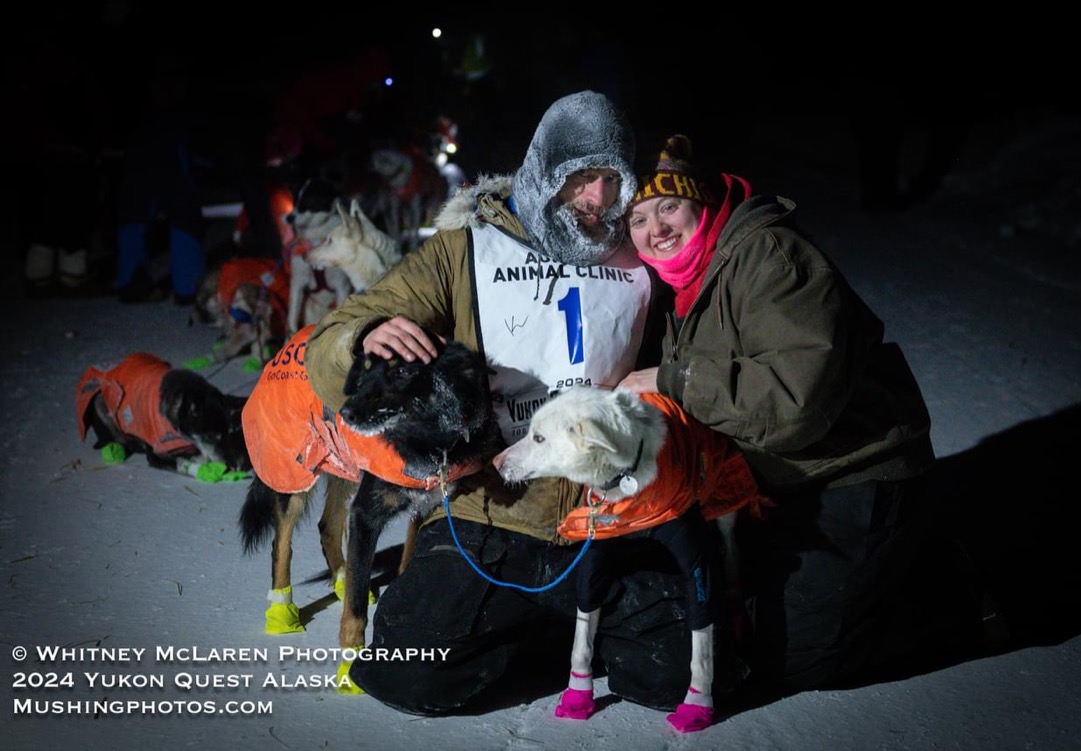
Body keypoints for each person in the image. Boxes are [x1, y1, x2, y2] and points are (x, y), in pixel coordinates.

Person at [304, 91, 753, 717]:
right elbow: (329, 339)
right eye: (578, 178)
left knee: (684, 675)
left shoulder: (642, 255)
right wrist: (363, 337)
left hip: (612, 515)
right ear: (545, 173)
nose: (596, 199)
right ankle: (543, 625)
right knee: (408, 673)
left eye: (609, 180)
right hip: (495, 509)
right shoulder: (464, 250)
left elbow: (713, 320)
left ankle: (551, 622)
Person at [617, 135, 937, 692]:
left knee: (781, 662)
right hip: (774, 484)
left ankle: (948, 585)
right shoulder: (679, 282)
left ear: (704, 200)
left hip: (852, 473)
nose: (656, 230)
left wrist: (675, 381)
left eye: (669, 206)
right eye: (638, 218)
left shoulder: (768, 256)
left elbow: (797, 402)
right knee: (709, 633)